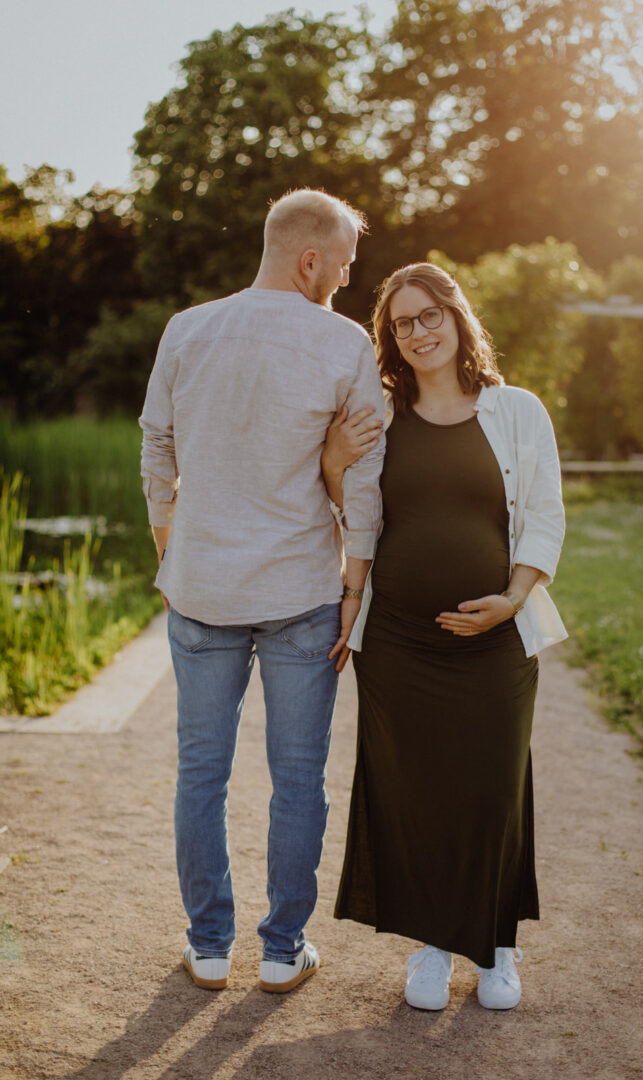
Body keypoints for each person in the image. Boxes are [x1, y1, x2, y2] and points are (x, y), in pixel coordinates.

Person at [139, 189, 385, 993]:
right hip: (303, 592)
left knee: (199, 774)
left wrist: (171, 548)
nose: (344, 283)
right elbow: (367, 481)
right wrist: (356, 584)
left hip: (201, 588)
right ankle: (283, 950)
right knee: (299, 778)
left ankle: (209, 946)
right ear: (309, 260)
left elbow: (156, 444)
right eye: (343, 268)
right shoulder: (346, 345)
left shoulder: (187, 328)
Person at [321, 262, 566, 1012]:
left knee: (491, 787)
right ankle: (432, 942)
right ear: (389, 338)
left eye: (430, 315)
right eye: (402, 323)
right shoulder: (381, 415)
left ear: (458, 319)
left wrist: (512, 598)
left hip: (496, 640)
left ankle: (496, 944)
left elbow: (547, 516)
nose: (419, 331)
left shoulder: (517, 410)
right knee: (417, 789)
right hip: (397, 642)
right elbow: (355, 511)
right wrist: (333, 467)